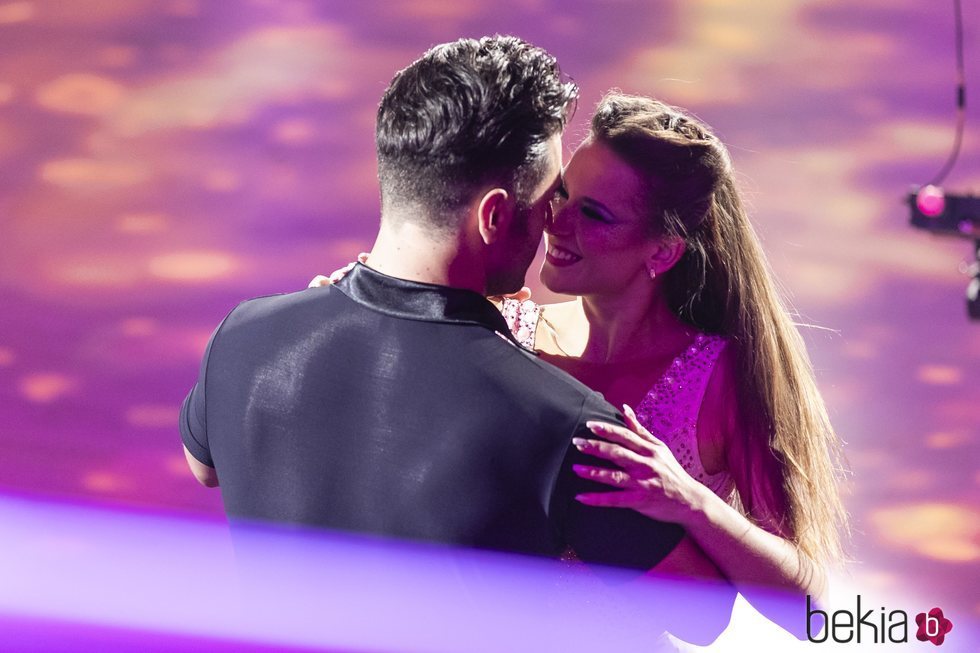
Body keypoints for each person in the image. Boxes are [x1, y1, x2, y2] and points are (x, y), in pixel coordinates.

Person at [178, 38, 695, 573]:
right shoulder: (563, 422)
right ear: (494, 216)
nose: (553, 222)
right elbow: (697, 613)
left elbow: (205, 467)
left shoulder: (242, 335)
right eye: (549, 199)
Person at [497, 93, 848, 619]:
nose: (556, 223)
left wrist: (692, 502)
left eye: (593, 213)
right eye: (563, 194)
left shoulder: (719, 376)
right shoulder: (507, 331)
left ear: (662, 251)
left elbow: (808, 609)